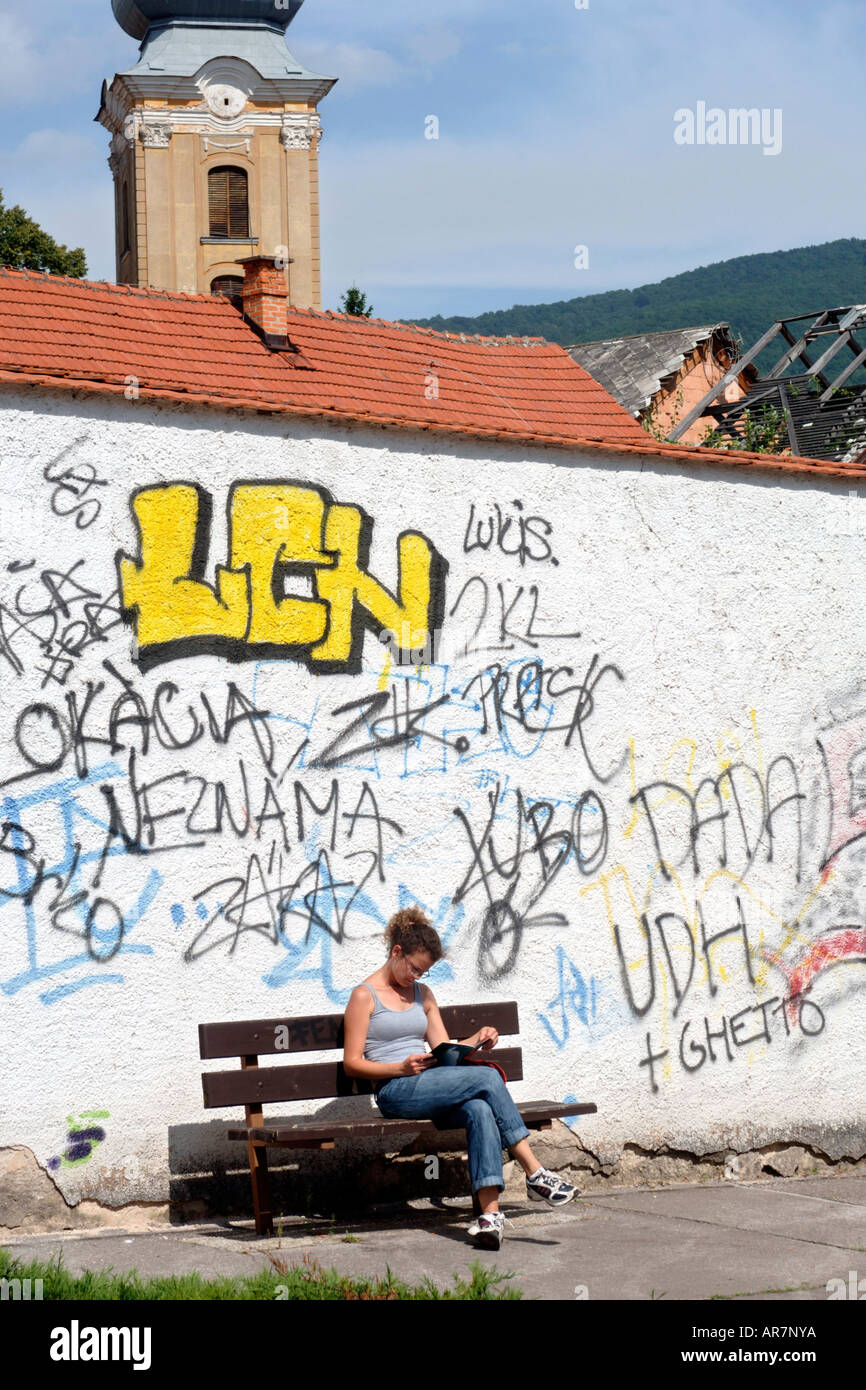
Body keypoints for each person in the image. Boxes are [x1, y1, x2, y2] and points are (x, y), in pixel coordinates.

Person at [342, 904, 579, 1250]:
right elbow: (352, 1063)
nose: (417, 977)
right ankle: (535, 1172)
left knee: (480, 1110)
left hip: (433, 1085)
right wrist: (399, 1068)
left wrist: (476, 1039)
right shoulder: (365, 995)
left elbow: (442, 1048)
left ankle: (490, 1216)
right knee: (486, 1081)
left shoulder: (423, 995)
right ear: (397, 952)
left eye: (423, 972)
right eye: (414, 968)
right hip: (396, 1089)